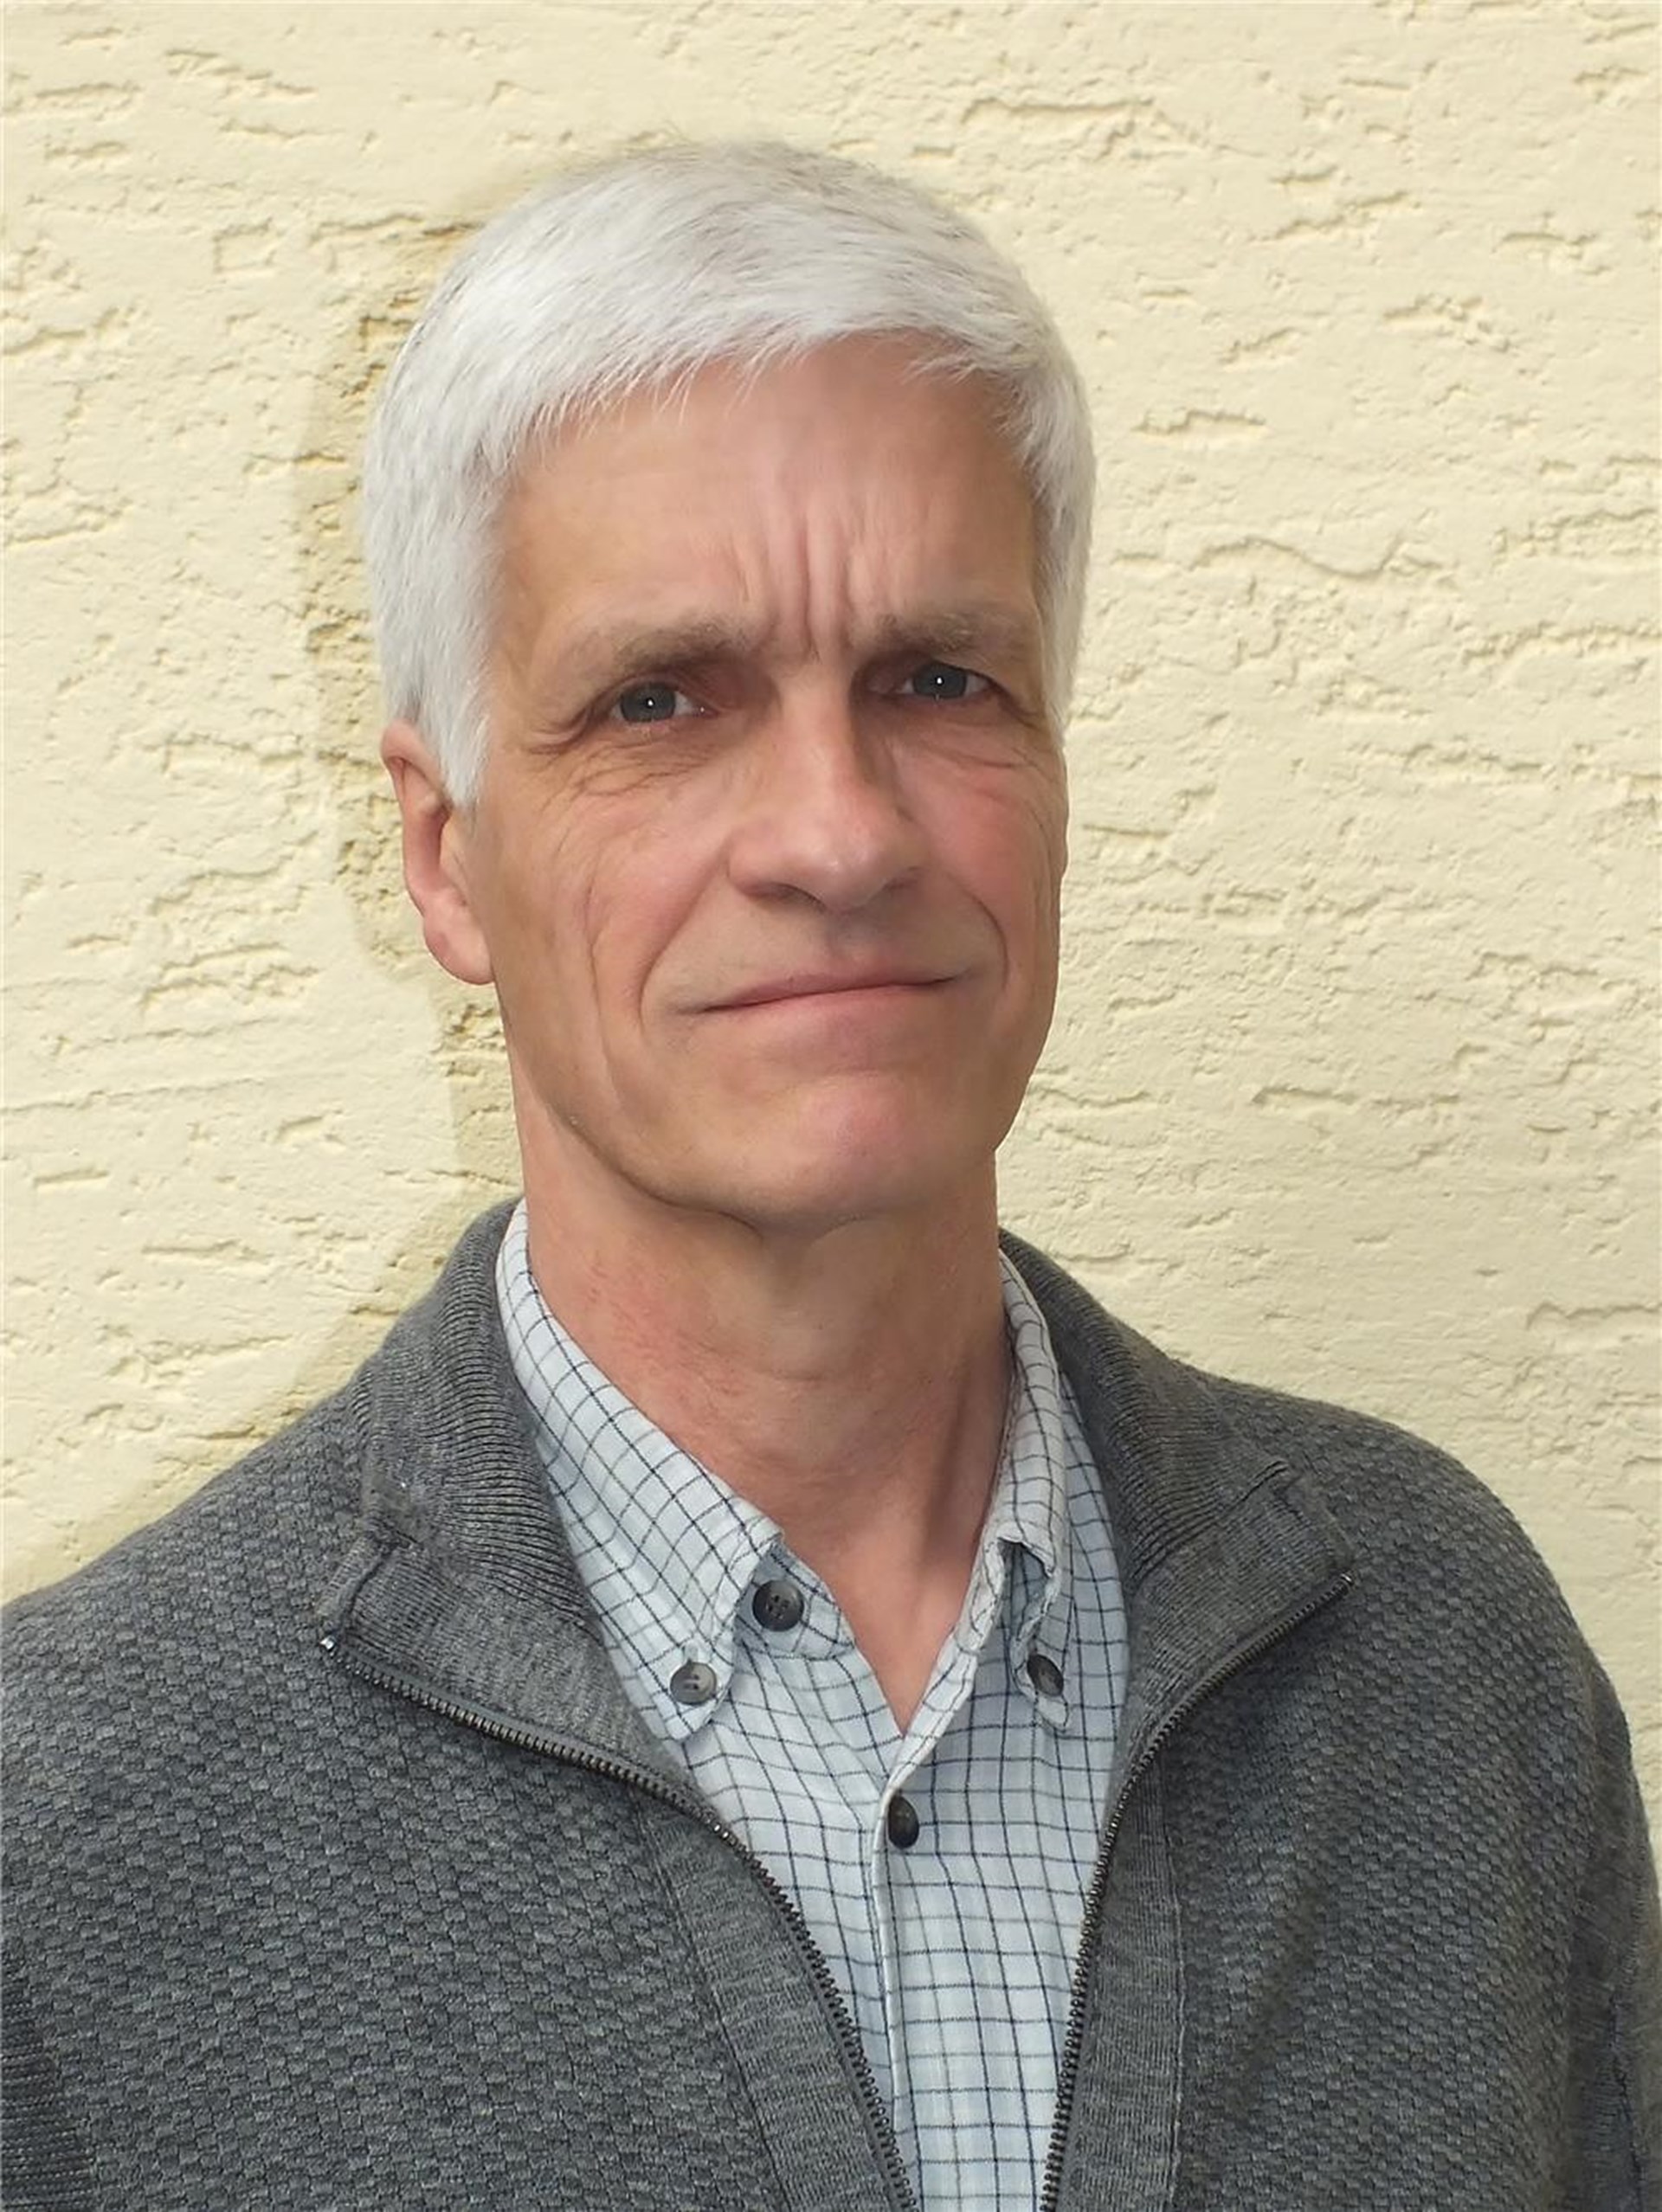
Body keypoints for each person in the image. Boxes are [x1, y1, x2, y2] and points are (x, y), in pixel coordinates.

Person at [3, 139, 1656, 2212]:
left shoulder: (1439, 1663)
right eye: (661, 702)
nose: (839, 835)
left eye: (938, 681)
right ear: (445, 857)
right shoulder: (72, 1829)